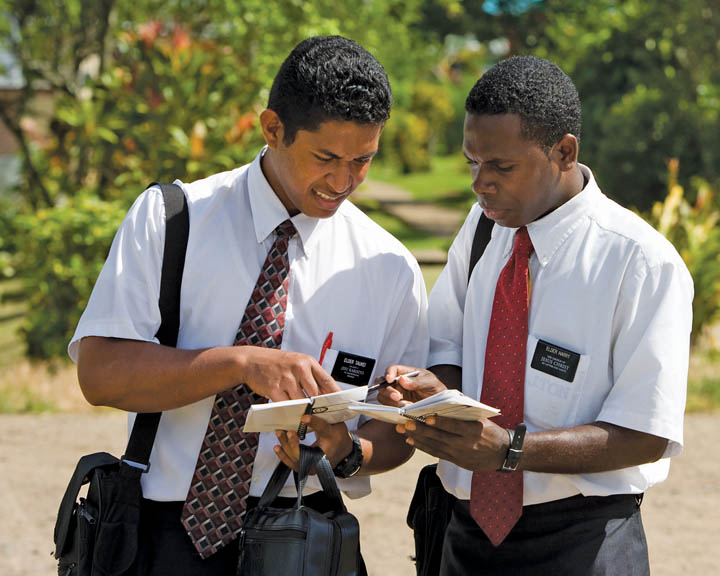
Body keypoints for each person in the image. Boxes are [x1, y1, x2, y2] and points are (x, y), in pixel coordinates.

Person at [70, 35, 428, 574]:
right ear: (272, 128)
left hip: (305, 535)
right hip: (161, 534)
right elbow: (100, 376)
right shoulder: (172, 220)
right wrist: (240, 363)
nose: (343, 181)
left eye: (363, 160)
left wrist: (345, 453)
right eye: (326, 158)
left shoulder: (388, 266)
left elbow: (396, 428)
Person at [380, 55, 693, 575]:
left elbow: (646, 432)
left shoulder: (638, 262)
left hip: (582, 543)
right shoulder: (483, 232)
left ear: (564, 151)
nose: (481, 184)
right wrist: (433, 393)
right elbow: (448, 350)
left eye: (502, 166)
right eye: (471, 163)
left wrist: (508, 451)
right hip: (465, 537)